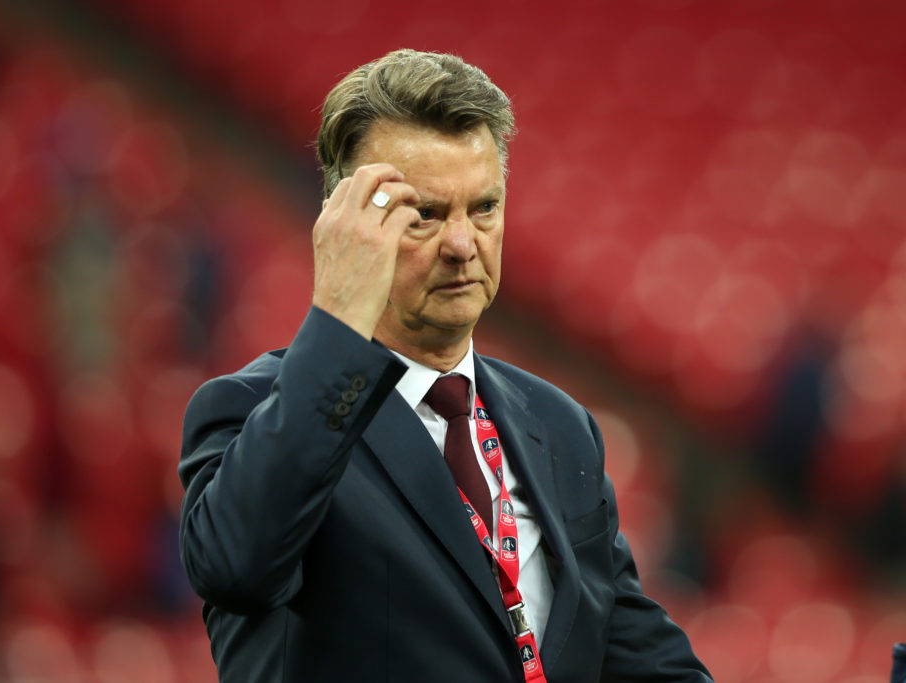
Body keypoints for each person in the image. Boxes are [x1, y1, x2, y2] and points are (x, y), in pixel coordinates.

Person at [178, 48, 712, 682]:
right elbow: (237, 568)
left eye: (483, 207)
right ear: (347, 226)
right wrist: (339, 316)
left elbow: (637, 655)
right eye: (424, 215)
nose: (462, 245)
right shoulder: (251, 410)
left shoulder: (559, 423)